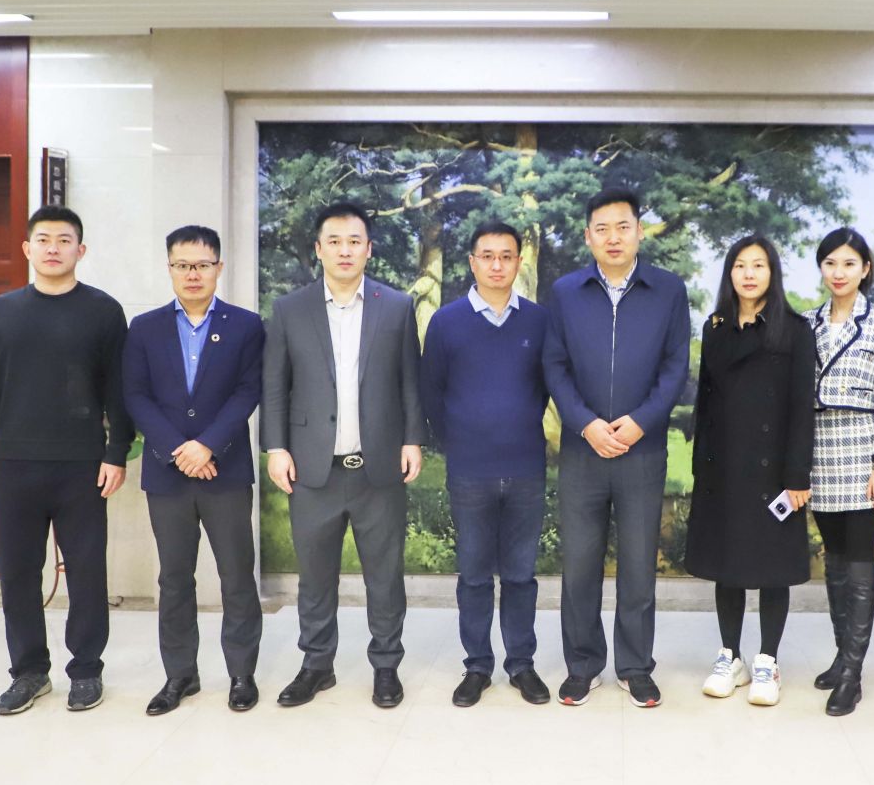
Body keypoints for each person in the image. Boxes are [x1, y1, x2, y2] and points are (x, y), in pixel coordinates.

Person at [0, 206, 133, 716]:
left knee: (87, 572)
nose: (53, 247)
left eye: (64, 239)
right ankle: (30, 672)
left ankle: (86, 670)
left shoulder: (103, 311)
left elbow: (118, 390)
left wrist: (116, 452)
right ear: (27, 248)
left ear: (81, 250)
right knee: (18, 573)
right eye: (43, 239)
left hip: (83, 466)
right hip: (12, 466)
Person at [261, 201, 425, 710]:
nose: (345, 250)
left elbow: (410, 381)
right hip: (313, 470)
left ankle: (386, 666)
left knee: (385, 575)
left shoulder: (395, 306)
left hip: (379, 468)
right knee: (315, 577)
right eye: (334, 241)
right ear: (319, 249)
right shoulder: (290, 309)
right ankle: (316, 665)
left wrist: (413, 439)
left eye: (354, 241)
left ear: (369, 249)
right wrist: (275, 447)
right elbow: (275, 386)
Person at [543, 187, 690, 709]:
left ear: (639, 232)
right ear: (588, 236)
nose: (613, 238)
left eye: (623, 227)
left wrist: (641, 423)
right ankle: (582, 666)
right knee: (580, 565)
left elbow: (676, 365)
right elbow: (554, 364)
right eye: (601, 229)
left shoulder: (668, 290)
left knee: (638, 567)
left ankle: (635, 666)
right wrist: (585, 424)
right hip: (583, 452)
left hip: (642, 452)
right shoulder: (565, 292)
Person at [122, 225, 265, 715]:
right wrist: (176, 448)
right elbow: (135, 394)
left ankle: (242, 673)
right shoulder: (145, 328)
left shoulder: (245, 325)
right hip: (168, 475)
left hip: (225, 471)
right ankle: (180, 675)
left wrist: (206, 446)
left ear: (219, 268)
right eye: (182, 265)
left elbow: (248, 391)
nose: (192, 274)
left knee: (237, 575)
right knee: (174, 578)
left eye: (202, 265)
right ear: (169, 268)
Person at [420, 221, 553, 708]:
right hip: (470, 470)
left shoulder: (539, 321)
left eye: (506, 256)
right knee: (474, 575)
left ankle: (521, 664)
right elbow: (431, 392)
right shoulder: (447, 322)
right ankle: (477, 666)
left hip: (525, 468)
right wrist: (461, 438)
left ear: (518, 261)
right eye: (488, 256)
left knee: (520, 575)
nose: (497, 265)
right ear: (472, 262)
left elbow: (546, 387)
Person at [684, 235, 816, 707]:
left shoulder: (794, 329)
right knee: (729, 565)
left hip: (773, 470)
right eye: (740, 265)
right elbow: (706, 401)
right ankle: (730, 655)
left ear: (772, 273)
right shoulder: (715, 327)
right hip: (723, 466)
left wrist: (797, 476)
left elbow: (801, 407)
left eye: (758, 265)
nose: (748, 274)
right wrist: (701, 466)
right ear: (730, 273)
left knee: (772, 567)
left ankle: (768, 660)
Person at [804, 227, 874, 717]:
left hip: (864, 452)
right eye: (830, 263)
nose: (838, 272)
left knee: (860, 558)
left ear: (865, 269)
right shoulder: (806, 323)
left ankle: (852, 674)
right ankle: (843, 655)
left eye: (848, 263)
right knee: (835, 558)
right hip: (819, 451)